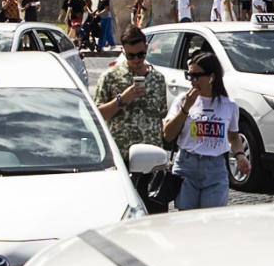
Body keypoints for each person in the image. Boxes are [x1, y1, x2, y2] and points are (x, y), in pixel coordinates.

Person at [160, 47, 250, 210]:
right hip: (187, 166)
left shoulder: (228, 105)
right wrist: (185, 108)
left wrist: (240, 155)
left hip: (215, 167)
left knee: (212, 218)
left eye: (196, 76)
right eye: (189, 75)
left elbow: (233, 137)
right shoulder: (182, 100)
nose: (191, 81)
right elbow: (168, 134)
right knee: (187, 218)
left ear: (211, 77)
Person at [94, 26, 172, 209]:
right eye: (131, 56)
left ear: (147, 48)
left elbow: (161, 113)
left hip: (153, 161)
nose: (137, 60)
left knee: (155, 214)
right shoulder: (111, 77)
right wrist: (121, 100)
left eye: (141, 54)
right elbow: (97, 115)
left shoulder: (158, 78)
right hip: (123, 160)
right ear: (123, 51)